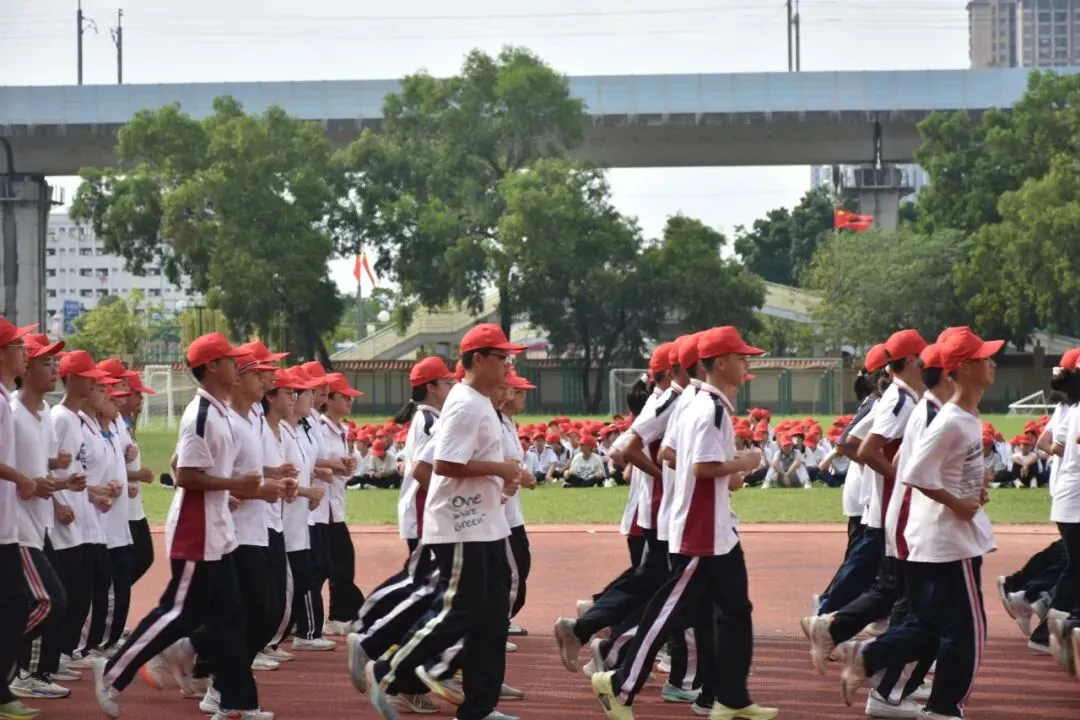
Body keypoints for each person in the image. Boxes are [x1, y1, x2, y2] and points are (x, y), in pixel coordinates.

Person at [590, 326, 777, 720]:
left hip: (713, 526)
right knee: (671, 611)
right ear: (720, 362)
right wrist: (740, 464)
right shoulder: (708, 407)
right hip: (701, 528)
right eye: (742, 357)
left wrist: (724, 471)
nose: (747, 364)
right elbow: (699, 465)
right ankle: (618, 682)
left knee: (735, 609)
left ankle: (731, 697)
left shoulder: (694, 401)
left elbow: (672, 453)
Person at [89, 332, 271, 720]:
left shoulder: (221, 411)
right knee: (179, 613)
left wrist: (238, 486)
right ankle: (113, 672)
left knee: (231, 617)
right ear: (210, 368)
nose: (236, 366)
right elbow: (186, 475)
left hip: (217, 529)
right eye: (229, 360)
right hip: (196, 529)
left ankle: (237, 702)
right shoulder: (201, 415)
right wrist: (234, 485)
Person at [357, 323, 527, 720]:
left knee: (490, 619)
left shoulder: (477, 401)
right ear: (478, 359)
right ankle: (387, 671)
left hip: (482, 523)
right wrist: (500, 468)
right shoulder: (467, 403)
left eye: (509, 358)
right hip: (460, 525)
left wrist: (501, 474)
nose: (507, 365)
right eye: (501, 357)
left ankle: (479, 708)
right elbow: (445, 463)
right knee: (460, 611)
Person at [840, 328, 1001, 720]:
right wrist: (959, 503)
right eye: (984, 358)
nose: (993, 363)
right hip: (948, 540)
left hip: (946, 537)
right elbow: (913, 473)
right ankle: (945, 708)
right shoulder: (947, 420)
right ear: (961, 369)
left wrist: (973, 486)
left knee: (933, 627)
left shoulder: (961, 416)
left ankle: (870, 656)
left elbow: (936, 472)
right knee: (969, 632)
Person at [10, 333, 74, 702]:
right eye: (47, 363)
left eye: (55, 362)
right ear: (26, 368)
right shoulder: (12, 411)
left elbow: (35, 468)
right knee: (53, 601)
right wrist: (29, 482)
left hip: (39, 525)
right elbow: (19, 473)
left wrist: (63, 483)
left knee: (31, 602)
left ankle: (21, 672)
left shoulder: (44, 413)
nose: (55, 369)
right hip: (16, 527)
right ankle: (14, 661)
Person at [0, 318, 41, 720]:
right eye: (17, 345)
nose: (24, 351)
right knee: (17, 605)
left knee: (13, 605)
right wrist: (21, 477)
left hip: (7, 525)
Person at [319, 373, 365, 637]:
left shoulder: (341, 430)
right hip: (321, 508)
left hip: (334, 505)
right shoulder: (320, 428)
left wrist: (347, 467)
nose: (349, 401)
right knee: (334, 564)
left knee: (340, 563)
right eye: (344, 396)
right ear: (330, 399)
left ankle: (342, 613)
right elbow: (317, 461)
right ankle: (341, 614)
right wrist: (337, 465)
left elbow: (341, 471)